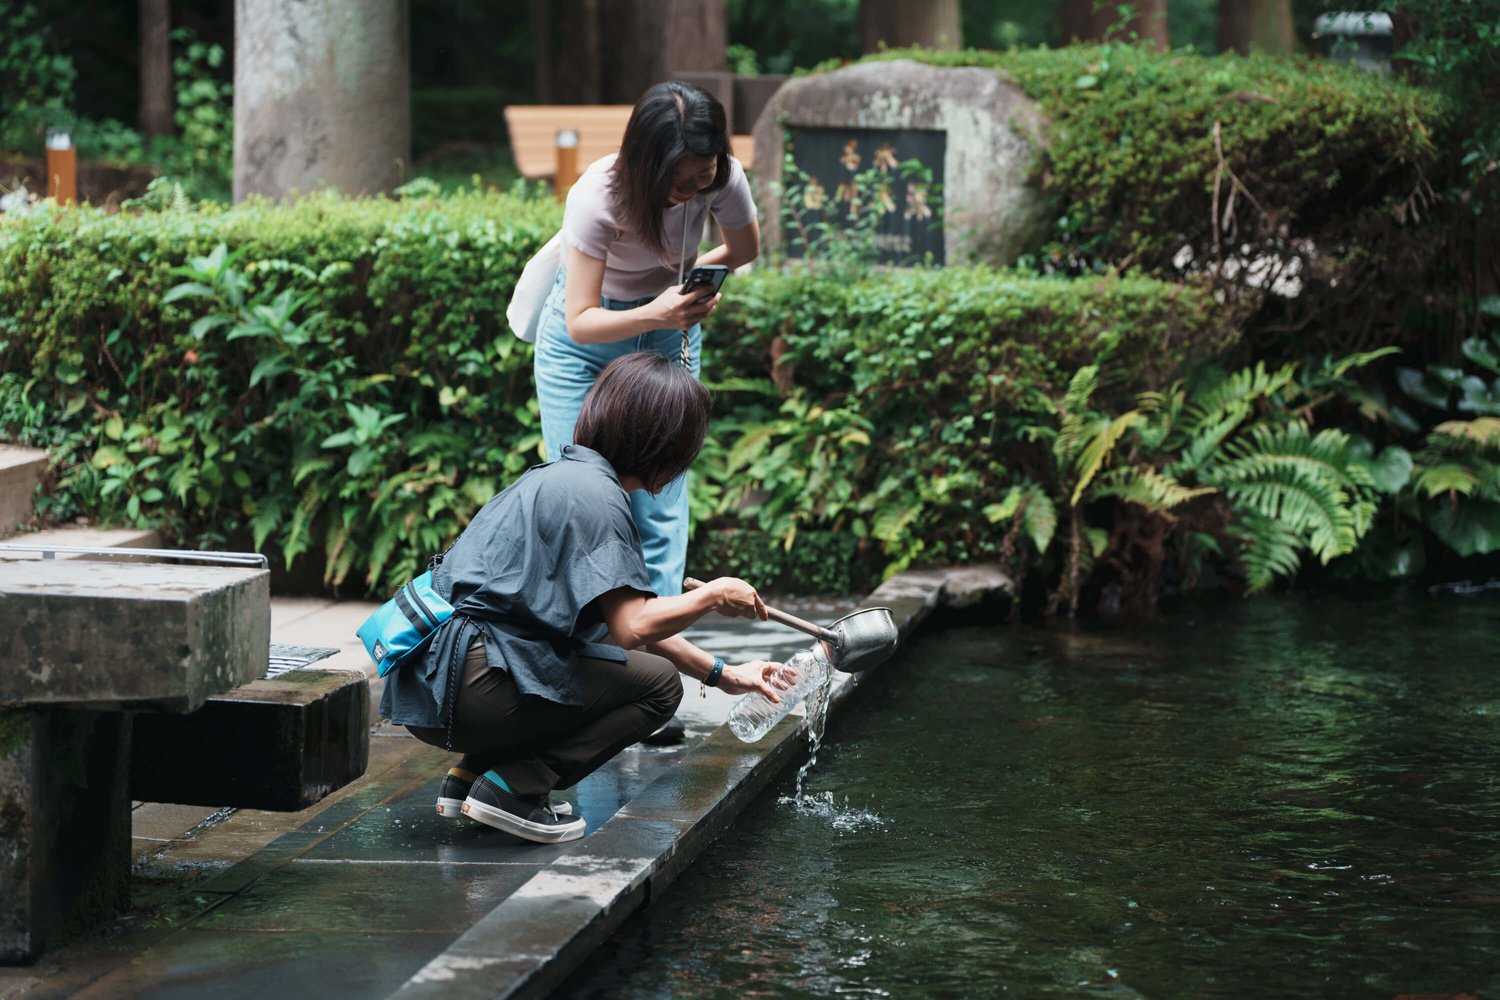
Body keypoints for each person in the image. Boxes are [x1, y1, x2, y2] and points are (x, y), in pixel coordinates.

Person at [380, 353, 785, 844]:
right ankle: (514, 788)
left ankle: (474, 774)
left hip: (430, 688)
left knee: (611, 660)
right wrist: (716, 594)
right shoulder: (597, 496)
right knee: (659, 688)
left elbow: (617, 629)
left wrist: (723, 675)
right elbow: (634, 628)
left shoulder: (557, 478)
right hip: (467, 687)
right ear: (665, 442)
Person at [533, 80, 761, 603]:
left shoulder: (720, 176)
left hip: (666, 337)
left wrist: (689, 288)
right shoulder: (599, 196)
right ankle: (582, 646)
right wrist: (656, 308)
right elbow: (580, 322)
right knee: (580, 501)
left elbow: (743, 248)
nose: (692, 190)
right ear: (646, 166)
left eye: (701, 176)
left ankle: (654, 659)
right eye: (677, 181)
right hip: (583, 346)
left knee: (659, 502)